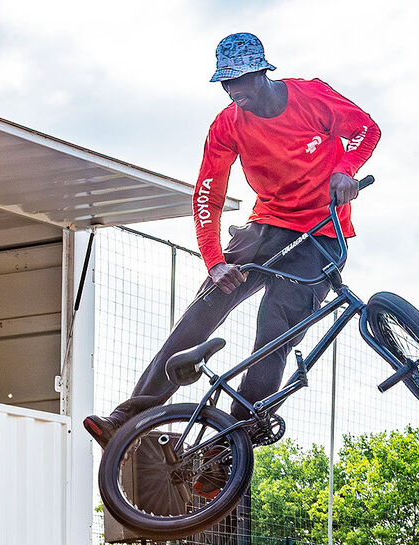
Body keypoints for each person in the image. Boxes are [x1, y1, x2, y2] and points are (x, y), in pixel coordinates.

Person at [81, 32, 379, 446]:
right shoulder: (227, 125)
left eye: (241, 80)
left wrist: (346, 168)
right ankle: (126, 419)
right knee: (203, 310)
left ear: (262, 73)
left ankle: (229, 445)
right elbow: (208, 194)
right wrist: (215, 261)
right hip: (266, 226)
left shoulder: (311, 97)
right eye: (226, 82)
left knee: (275, 334)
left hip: (321, 235)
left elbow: (366, 129)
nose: (234, 91)